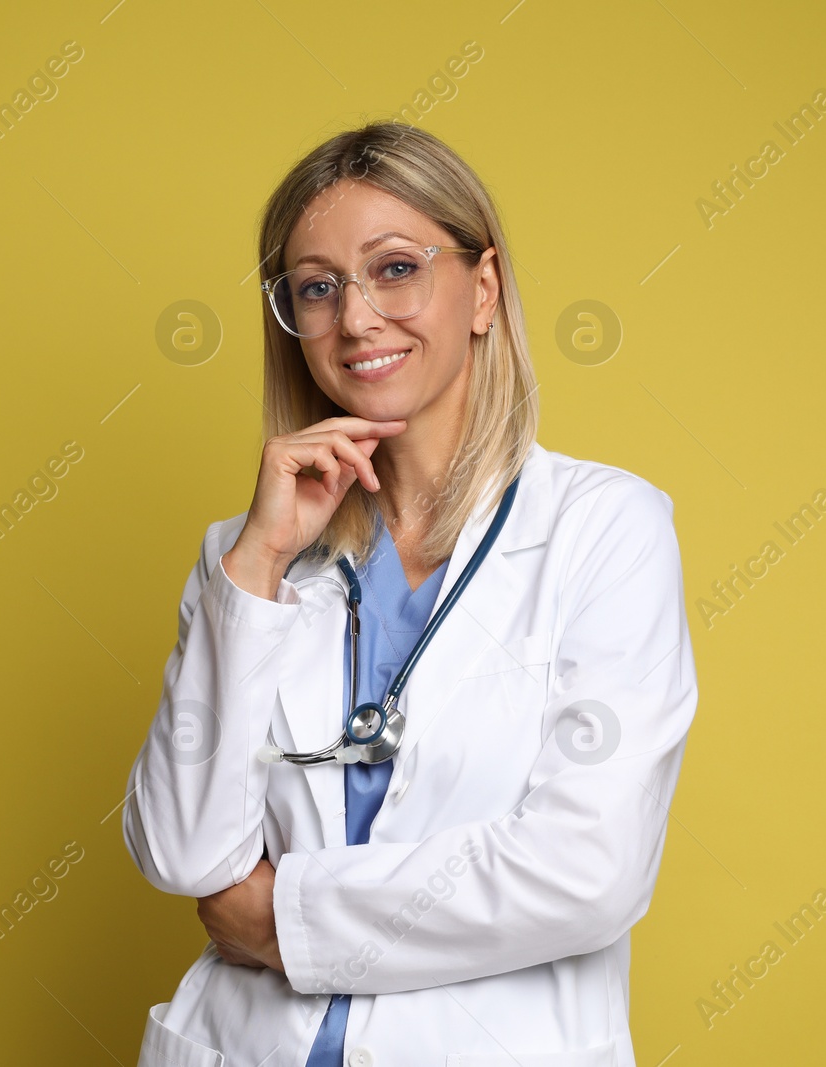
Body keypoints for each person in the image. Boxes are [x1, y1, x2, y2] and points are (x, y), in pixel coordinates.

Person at [122, 121, 699, 1066]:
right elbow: (184, 853)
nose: (355, 319)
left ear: (483, 289)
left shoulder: (605, 529)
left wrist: (284, 924)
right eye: (318, 287)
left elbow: (587, 871)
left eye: (394, 269)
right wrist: (258, 566)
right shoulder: (246, 555)